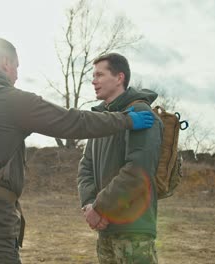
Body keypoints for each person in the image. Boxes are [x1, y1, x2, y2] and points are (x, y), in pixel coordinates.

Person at [0, 38, 155, 264]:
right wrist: (126, 120)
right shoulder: (11, 100)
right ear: (5, 63)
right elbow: (73, 122)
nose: (16, 75)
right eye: (16, 67)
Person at [78, 53, 163, 263]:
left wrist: (99, 207)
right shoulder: (101, 119)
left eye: (100, 74)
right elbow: (85, 167)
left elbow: (137, 172)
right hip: (105, 228)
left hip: (134, 230)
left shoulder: (141, 113)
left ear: (119, 77)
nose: (93, 80)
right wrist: (90, 206)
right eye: (93, 75)